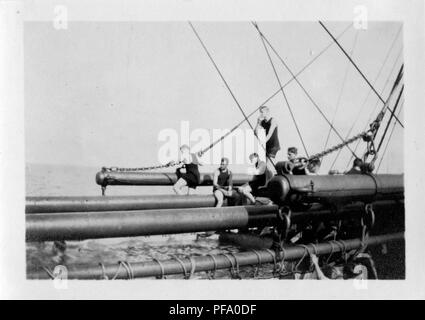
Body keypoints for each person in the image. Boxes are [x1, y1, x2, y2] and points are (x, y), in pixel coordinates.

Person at [255, 106, 280, 182]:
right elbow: (255, 132)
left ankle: (271, 182)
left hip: (274, 146)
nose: (261, 114)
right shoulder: (263, 122)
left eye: (262, 112)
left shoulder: (273, 120)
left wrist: (263, 141)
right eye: (260, 112)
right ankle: (267, 182)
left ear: (267, 112)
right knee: (263, 166)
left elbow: (269, 133)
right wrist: (258, 123)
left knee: (268, 166)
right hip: (267, 146)